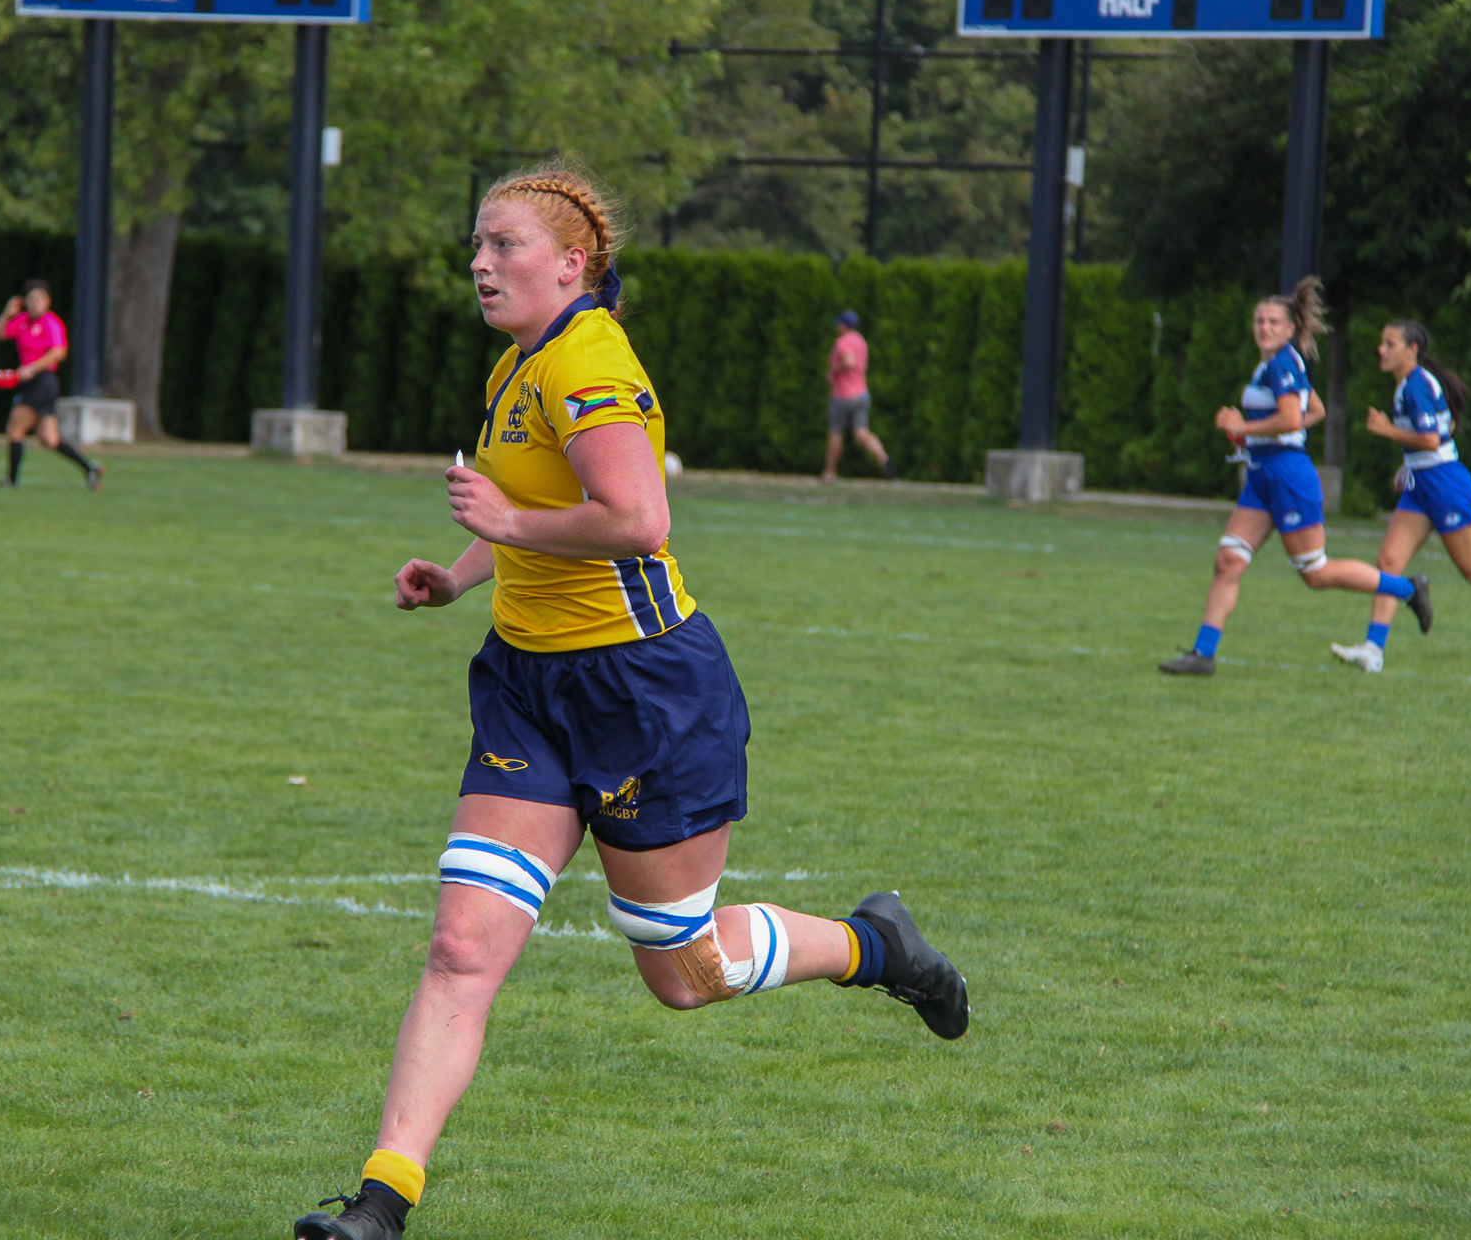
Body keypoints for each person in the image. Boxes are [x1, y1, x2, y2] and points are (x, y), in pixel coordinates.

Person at [293, 165, 969, 1240]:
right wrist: (462, 575)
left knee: (686, 973)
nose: (480, 263)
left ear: (573, 263)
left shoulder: (590, 361)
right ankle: (381, 1202)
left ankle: (873, 946)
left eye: (504, 245)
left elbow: (639, 518)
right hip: (526, 688)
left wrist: (507, 526)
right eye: (477, 244)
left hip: (645, 693)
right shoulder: (522, 359)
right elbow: (534, 508)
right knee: (462, 945)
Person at [1159, 277, 1431, 676]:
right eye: (1260, 320)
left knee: (1316, 573)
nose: (1264, 327)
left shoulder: (1283, 363)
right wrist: (1253, 434)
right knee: (1228, 561)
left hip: (1287, 475)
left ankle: (1407, 589)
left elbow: (1290, 418)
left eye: (1273, 322)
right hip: (1262, 475)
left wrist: (1244, 426)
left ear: (1290, 329)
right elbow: (1313, 410)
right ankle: (1203, 654)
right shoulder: (1272, 364)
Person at [1328, 321, 1471, 673]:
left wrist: (1387, 430)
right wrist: (1409, 466)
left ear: (1411, 350)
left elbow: (1431, 440)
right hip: (1422, 484)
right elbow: (1440, 432)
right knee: (1389, 561)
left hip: (1444, 485)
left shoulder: (1417, 385)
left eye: (1390, 343)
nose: (1381, 349)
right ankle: (1373, 650)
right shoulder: (1410, 383)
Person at [0, 280, 103, 490]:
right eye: (32, 299)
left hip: (42, 381)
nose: (36, 302)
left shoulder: (50, 322)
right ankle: (90, 468)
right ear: (24, 302)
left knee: (15, 429)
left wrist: (32, 368)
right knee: (50, 439)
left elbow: (59, 352)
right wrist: (7, 314)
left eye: (40, 298)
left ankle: (11, 481)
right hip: (32, 381)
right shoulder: (23, 321)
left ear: (48, 301)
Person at [820, 310, 897, 483]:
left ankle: (830, 472)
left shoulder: (843, 341)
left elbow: (849, 361)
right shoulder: (861, 341)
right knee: (862, 433)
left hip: (842, 395)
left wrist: (832, 371)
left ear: (844, 325)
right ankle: (884, 459)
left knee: (835, 434)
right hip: (861, 393)